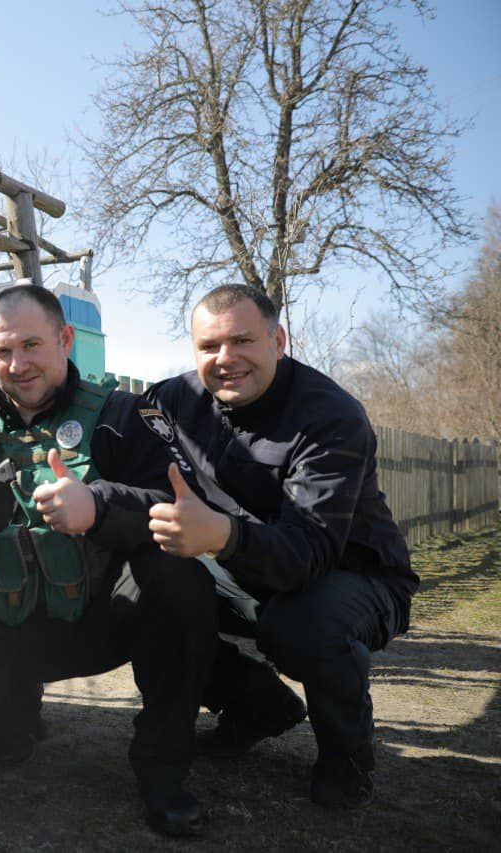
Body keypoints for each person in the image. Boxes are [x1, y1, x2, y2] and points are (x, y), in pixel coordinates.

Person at [0, 284, 217, 837]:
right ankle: (11, 716)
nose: (18, 363)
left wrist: (97, 506)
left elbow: (181, 505)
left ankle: (163, 769)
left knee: (176, 577)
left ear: (65, 338)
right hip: (3, 615)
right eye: (3, 351)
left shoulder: (124, 414)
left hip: (97, 619)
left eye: (32, 345)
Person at [143, 283, 418, 810]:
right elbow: (123, 438)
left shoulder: (330, 416)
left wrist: (221, 535)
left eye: (243, 340)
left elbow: (308, 552)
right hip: (242, 566)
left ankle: (347, 757)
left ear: (278, 340)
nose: (226, 359)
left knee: (302, 626)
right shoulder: (171, 401)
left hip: (354, 576)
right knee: (157, 590)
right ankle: (256, 708)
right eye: (209, 347)